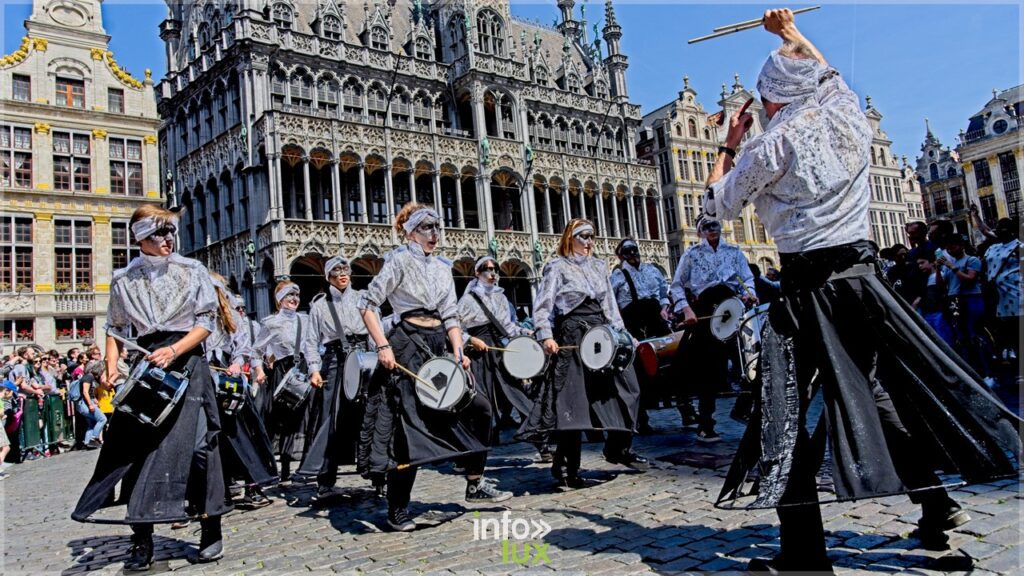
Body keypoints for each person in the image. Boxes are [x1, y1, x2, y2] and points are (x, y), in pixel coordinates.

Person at [705, 10, 1020, 573]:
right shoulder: (848, 117)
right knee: (877, 394)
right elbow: (828, 76)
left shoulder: (767, 149)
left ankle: (805, 553)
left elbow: (716, 205)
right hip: (864, 282)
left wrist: (729, 144)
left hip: (807, 292)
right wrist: (791, 34)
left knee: (784, 413)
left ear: (770, 102)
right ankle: (935, 503)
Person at [72, 204, 229, 570]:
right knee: (139, 452)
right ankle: (141, 537)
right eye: (160, 234)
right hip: (148, 366)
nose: (168, 240)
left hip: (188, 362)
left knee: (201, 449)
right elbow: (115, 329)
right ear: (140, 237)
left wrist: (174, 350)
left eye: (171, 232)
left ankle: (211, 526)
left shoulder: (193, 271)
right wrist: (111, 366)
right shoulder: (124, 279)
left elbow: (206, 322)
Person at [358, 203, 494, 531]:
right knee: (408, 429)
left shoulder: (443, 267)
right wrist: (383, 345)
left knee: (479, 408)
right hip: (407, 344)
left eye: (437, 227)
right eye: (426, 228)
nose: (434, 234)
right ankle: (397, 509)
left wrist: (459, 349)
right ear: (411, 232)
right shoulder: (398, 261)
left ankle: (474, 480)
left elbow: (450, 313)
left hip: (439, 346)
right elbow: (367, 304)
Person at [517, 218, 648, 491]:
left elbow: (610, 305)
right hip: (572, 335)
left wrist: (624, 334)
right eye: (583, 236)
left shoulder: (599, 266)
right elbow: (543, 306)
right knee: (572, 404)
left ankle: (617, 448)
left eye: (592, 236)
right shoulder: (557, 266)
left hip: (601, 334)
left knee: (627, 387)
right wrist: (546, 335)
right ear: (570, 238)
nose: (589, 242)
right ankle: (566, 468)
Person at [669, 217, 756, 441]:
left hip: (732, 307)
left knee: (748, 360)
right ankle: (706, 422)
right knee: (707, 368)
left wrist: (748, 292)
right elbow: (677, 285)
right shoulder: (692, 254)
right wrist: (686, 310)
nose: (712, 230)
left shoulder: (735, 252)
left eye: (714, 226)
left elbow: (746, 278)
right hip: (706, 309)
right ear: (699, 232)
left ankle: (745, 407)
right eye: (706, 227)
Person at [455, 255, 531, 501]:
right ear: (477, 273)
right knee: (481, 406)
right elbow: (456, 327)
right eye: (486, 269)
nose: (492, 273)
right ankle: (470, 456)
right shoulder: (467, 299)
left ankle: (541, 440)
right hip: (479, 354)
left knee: (518, 394)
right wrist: (470, 341)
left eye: (494, 269)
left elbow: (508, 327)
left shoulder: (500, 296)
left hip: (499, 349)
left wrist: (527, 331)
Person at [298, 255, 373, 500]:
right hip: (334, 361)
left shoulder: (363, 298)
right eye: (336, 271)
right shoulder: (320, 305)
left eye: (345, 270)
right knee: (331, 418)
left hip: (363, 356)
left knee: (369, 414)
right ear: (328, 276)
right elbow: (310, 342)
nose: (342, 275)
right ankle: (325, 478)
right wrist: (314, 369)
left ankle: (375, 472)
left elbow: (374, 331)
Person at [206, 272, 277, 510]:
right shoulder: (194, 314)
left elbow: (242, 344)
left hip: (228, 373)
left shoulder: (231, 315)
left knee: (243, 432)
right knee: (211, 436)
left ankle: (252, 487)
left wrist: (237, 362)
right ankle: (218, 491)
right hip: (204, 376)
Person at [251, 281, 318, 483]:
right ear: (280, 300)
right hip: (283, 371)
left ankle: (307, 464)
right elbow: (256, 350)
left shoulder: (306, 320)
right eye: (289, 296)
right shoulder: (271, 323)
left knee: (308, 415)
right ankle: (282, 465)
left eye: (296, 295)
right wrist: (259, 370)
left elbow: (315, 345)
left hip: (305, 368)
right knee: (284, 419)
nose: (294, 299)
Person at [610, 239, 671, 434]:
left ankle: (684, 406)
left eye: (634, 249)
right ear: (621, 255)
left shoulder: (653, 270)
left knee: (670, 360)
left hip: (654, 318)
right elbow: (610, 302)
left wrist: (664, 307)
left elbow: (664, 291)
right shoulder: (618, 276)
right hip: (633, 323)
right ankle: (641, 418)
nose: (633, 253)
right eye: (627, 250)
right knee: (639, 368)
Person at [937, 234, 995, 387]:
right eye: (948, 247)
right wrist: (938, 269)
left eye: (953, 246)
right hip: (954, 299)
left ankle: (988, 372)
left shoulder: (972, 260)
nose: (950, 249)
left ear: (961, 245)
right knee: (962, 338)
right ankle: (972, 372)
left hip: (970, 298)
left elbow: (970, 279)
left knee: (975, 336)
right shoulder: (949, 263)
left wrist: (952, 268)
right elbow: (941, 283)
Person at [973, 209, 1021, 362]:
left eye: (1004, 228)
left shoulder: (1019, 246)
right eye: (999, 227)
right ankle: (1007, 350)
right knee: (999, 323)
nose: (1000, 230)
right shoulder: (993, 247)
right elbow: (984, 230)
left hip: (1015, 290)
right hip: (995, 292)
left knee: (1016, 322)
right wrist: (976, 216)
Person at [912, 249, 955, 347]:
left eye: (922, 262)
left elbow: (941, 289)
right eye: (918, 264)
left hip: (939, 313)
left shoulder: (939, 275)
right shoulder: (924, 278)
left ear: (932, 262)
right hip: (928, 313)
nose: (920, 266)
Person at [72, 361, 107, 449]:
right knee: (102, 419)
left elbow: (89, 392)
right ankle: (93, 438)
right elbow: (85, 392)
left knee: (92, 423)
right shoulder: (88, 377)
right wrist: (90, 404)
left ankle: (87, 442)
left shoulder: (88, 377)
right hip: (85, 404)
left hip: (84, 404)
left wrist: (94, 400)